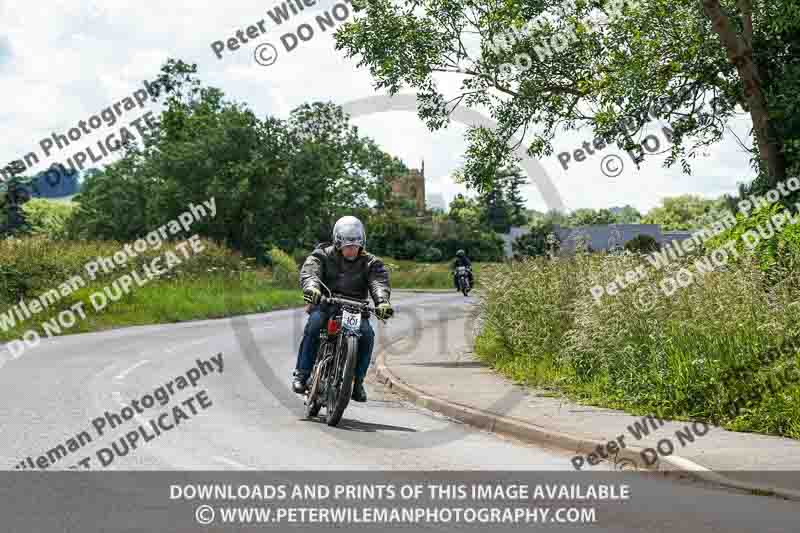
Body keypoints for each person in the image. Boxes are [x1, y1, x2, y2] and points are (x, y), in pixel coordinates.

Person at [292, 216, 394, 402]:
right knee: (314, 325)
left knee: (367, 335)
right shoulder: (322, 255)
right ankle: (302, 374)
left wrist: (381, 301)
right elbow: (310, 271)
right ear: (338, 243)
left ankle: (358, 382)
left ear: (362, 242)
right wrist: (313, 288)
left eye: (355, 245)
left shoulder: (371, 263)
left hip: (355, 309)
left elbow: (379, 281)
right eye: (347, 245)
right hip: (326, 304)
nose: (351, 249)